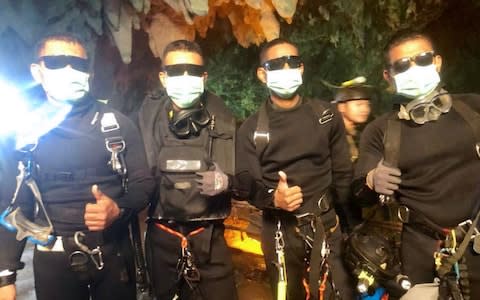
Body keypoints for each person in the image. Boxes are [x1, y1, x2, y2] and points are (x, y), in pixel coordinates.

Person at [0, 33, 154, 300]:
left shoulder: (117, 125)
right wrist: (6, 275)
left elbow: (144, 182)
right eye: (57, 62)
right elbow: (14, 205)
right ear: (38, 71)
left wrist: (119, 209)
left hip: (113, 254)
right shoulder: (23, 134)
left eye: (79, 64)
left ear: (89, 72)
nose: (69, 71)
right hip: (53, 261)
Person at [353, 30, 480, 298]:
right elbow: (357, 194)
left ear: (437, 62)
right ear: (388, 76)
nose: (414, 68)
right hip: (423, 254)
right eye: (402, 65)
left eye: (422, 59)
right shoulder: (380, 131)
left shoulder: (474, 108)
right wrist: (371, 180)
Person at [235, 38, 354, 300]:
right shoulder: (251, 129)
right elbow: (246, 186)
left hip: (326, 226)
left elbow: (343, 174)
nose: (286, 69)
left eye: (293, 63)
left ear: (301, 69)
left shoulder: (326, 115)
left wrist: (351, 225)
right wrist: (272, 198)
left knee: (339, 293)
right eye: (277, 64)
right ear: (262, 74)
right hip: (280, 232)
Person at [137, 39, 237, 300]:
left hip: (210, 238)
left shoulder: (224, 118)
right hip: (162, 238)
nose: (185, 78)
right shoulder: (146, 119)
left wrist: (229, 182)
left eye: (192, 71)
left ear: (204, 77)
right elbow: (135, 177)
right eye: (176, 71)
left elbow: (247, 180)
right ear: (163, 77)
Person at [332, 79, 372, 163]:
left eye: (367, 105)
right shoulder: (332, 136)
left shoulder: (363, 134)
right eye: (359, 104)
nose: (365, 109)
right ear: (341, 107)